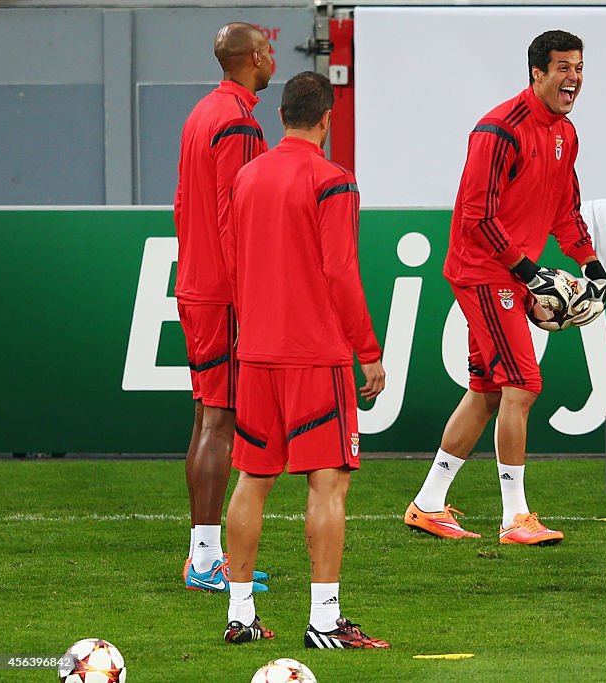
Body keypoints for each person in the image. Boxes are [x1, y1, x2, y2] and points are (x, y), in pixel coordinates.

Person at [402, 30, 606, 545]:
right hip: (484, 271)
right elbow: (477, 216)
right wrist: (526, 271)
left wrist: (590, 262)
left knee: (487, 390)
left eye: (578, 67)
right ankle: (515, 516)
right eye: (563, 67)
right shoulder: (498, 129)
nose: (573, 78)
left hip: (505, 273)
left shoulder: (567, 133)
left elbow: (567, 209)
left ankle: (428, 504)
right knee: (524, 384)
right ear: (536, 72)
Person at [221, 71, 388, 649]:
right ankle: (323, 622)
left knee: (252, 478)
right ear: (325, 118)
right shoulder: (332, 180)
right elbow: (341, 271)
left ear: (282, 115)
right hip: (316, 356)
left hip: (258, 351)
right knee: (328, 485)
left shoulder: (247, 177)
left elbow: (233, 264)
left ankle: (239, 615)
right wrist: (367, 352)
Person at [174, 22, 274, 592]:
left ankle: (203, 552)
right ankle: (207, 560)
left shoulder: (201, 114)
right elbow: (232, 214)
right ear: (255, 57)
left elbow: (183, 203)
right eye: (269, 51)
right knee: (221, 420)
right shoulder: (236, 120)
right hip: (223, 292)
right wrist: (247, 290)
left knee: (207, 416)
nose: (273, 58)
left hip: (197, 282)